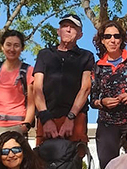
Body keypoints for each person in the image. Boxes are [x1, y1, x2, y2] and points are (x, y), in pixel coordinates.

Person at [90, 19, 127, 169]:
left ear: (122, 39)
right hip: (107, 125)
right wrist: (102, 102)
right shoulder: (97, 67)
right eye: (107, 36)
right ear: (102, 40)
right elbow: (93, 100)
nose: (112, 40)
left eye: (116, 36)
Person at [33, 13, 95, 144]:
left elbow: (85, 88)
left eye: (73, 27)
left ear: (80, 35)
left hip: (76, 118)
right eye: (65, 26)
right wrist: (46, 118)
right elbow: (37, 88)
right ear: (58, 31)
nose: (68, 29)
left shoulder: (86, 56)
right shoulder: (44, 54)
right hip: (46, 117)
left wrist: (71, 118)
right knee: (43, 155)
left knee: (74, 154)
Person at [0, 30, 35, 168]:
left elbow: (32, 102)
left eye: (16, 45)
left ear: (22, 48)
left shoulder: (28, 71)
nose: (12, 49)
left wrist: (26, 125)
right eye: (8, 45)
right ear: (2, 47)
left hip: (14, 125)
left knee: (12, 167)